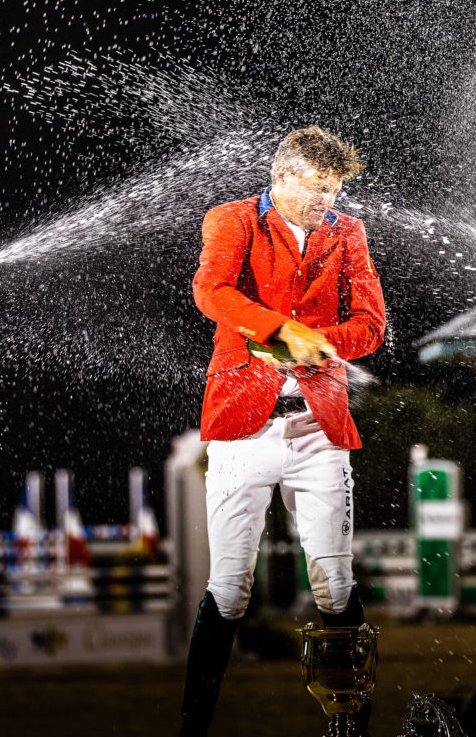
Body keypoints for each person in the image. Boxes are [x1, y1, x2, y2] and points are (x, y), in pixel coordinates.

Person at [181, 126, 387, 736]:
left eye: (335, 189)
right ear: (284, 176)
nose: (328, 201)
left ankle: (351, 727)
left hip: (316, 430)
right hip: (241, 431)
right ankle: (193, 729)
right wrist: (275, 331)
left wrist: (313, 347)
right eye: (319, 188)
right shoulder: (232, 220)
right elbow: (209, 291)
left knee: (335, 581)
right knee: (229, 590)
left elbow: (371, 326)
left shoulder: (348, 232)